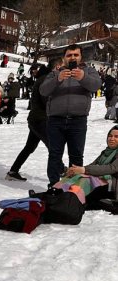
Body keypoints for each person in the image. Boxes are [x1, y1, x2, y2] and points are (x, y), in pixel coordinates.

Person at [40, 43, 102, 187]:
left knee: (76, 156)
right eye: (69, 55)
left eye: (75, 55)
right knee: (54, 155)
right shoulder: (55, 73)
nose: (72, 57)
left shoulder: (89, 71)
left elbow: (96, 85)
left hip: (78, 121)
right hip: (56, 121)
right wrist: (58, 79)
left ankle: (74, 187)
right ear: (64, 58)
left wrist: (83, 77)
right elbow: (43, 90)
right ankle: (54, 186)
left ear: (80, 57)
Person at [6, 60, 63, 181]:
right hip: (40, 120)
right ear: (57, 67)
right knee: (53, 146)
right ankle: (62, 170)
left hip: (36, 119)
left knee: (29, 147)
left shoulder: (44, 78)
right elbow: (46, 101)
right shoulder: (46, 79)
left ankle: (13, 171)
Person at [56, 126, 118, 206]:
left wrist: (84, 170)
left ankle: (68, 201)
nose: (112, 139)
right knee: (73, 178)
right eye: (110, 136)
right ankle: (55, 195)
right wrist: (76, 171)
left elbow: (111, 168)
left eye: (116, 137)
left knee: (84, 181)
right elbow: (93, 166)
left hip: (113, 186)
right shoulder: (106, 152)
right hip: (103, 182)